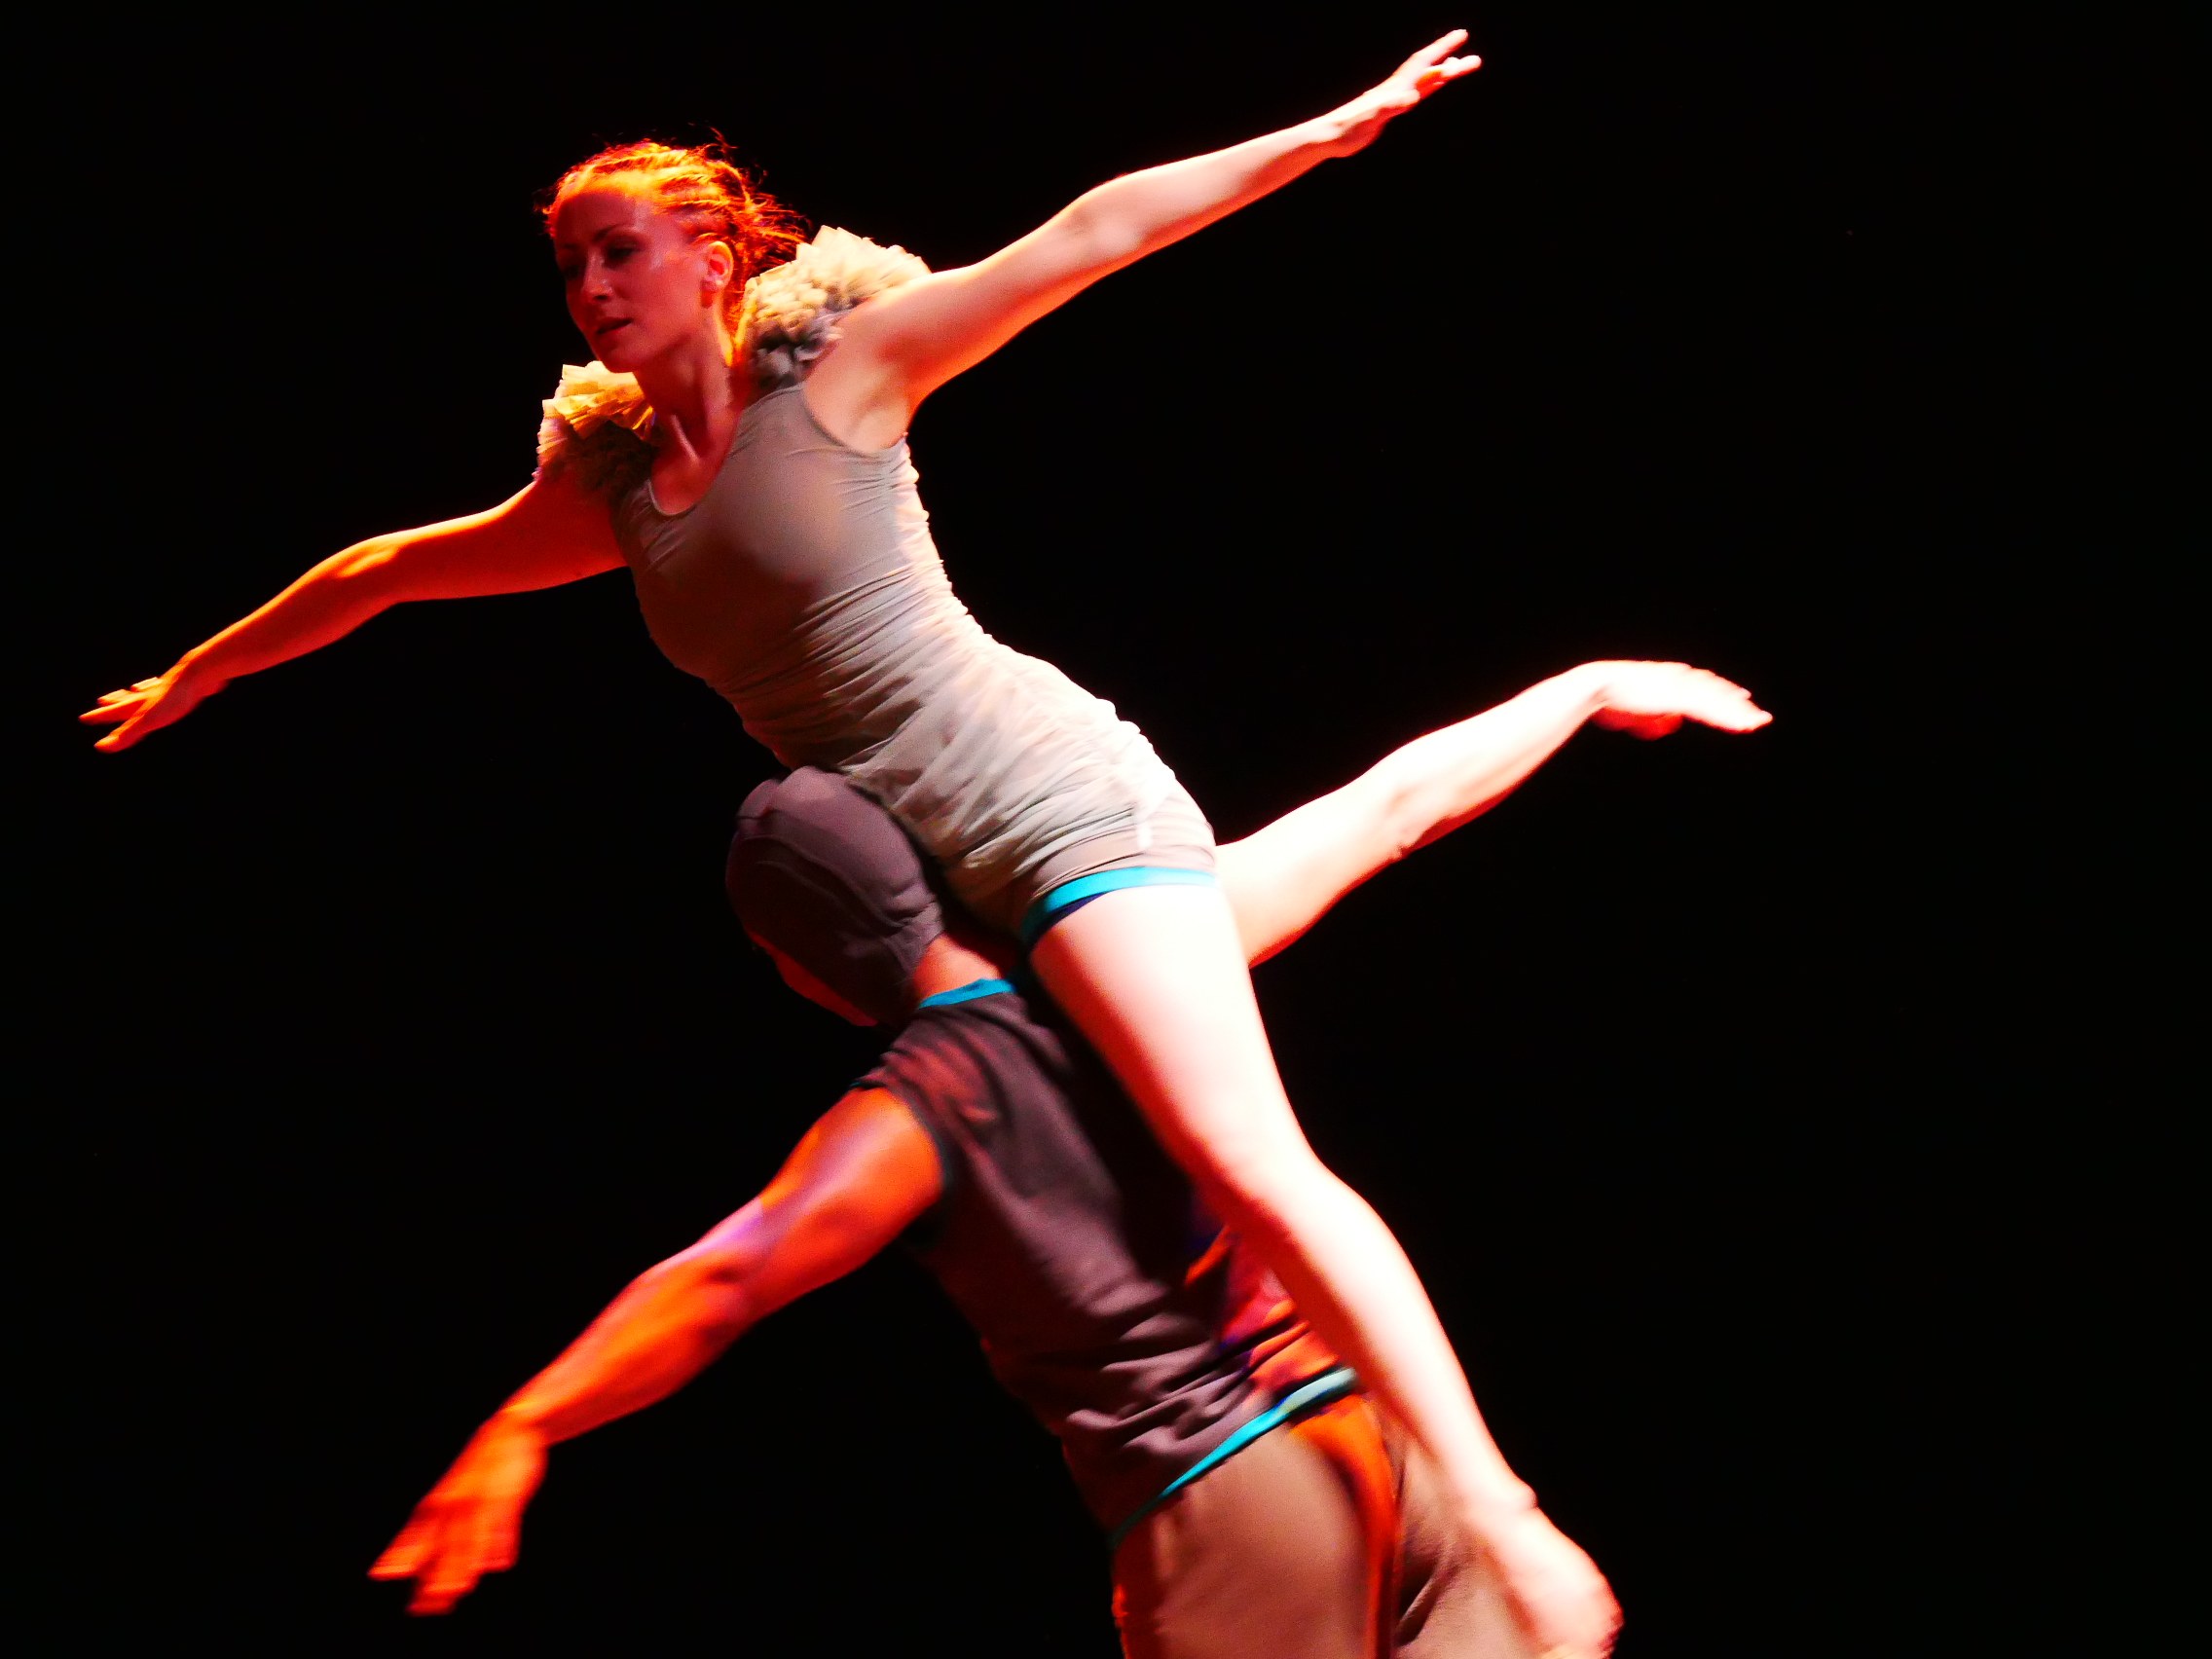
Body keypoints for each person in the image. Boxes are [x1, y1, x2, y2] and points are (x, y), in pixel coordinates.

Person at [81, 36, 1751, 1640]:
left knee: (1251, 1160)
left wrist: (1320, 135)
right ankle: (1586, 688)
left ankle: (1508, 1521)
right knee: (1321, 867)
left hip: (1049, 804)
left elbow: (1087, 235)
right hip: (954, 884)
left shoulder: (840, 377)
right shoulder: (613, 499)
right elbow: (384, 571)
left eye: (621, 250)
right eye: (572, 264)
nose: (591, 287)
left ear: (716, 259)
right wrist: (200, 673)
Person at [371, 661, 1767, 1655]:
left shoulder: (922, 1109)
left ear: (808, 965)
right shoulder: (1147, 956)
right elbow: (1397, 804)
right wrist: (1585, 688)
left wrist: (529, 1421)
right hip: (1392, 1450)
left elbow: (722, 1278)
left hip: (1235, 1493)